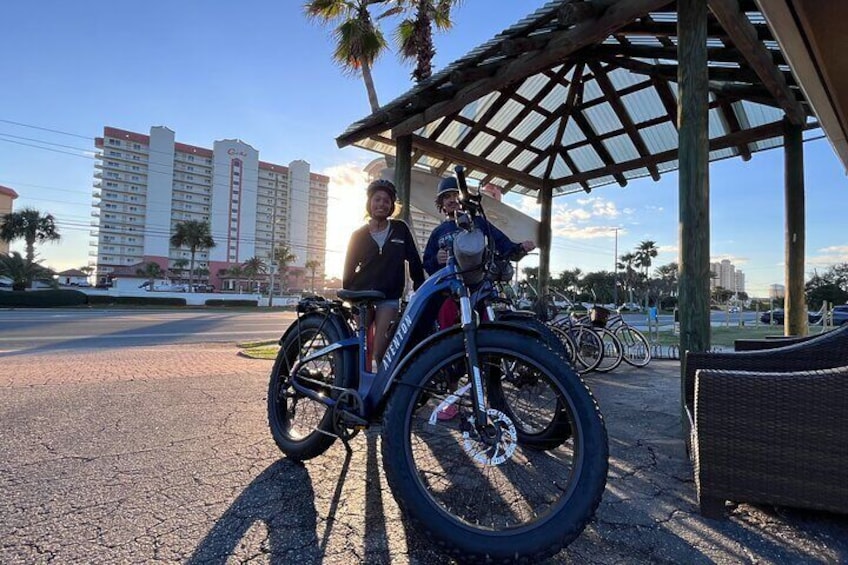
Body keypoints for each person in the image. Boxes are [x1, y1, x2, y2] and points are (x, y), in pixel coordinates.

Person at [423, 176, 536, 328]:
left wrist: (519, 248)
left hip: (480, 289)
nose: (452, 200)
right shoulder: (438, 232)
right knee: (446, 330)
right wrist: (436, 259)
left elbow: (501, 242)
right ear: (441, 203)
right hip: (449, 293)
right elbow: (427, 263)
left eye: (456, 195)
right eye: (447, 196)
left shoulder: (478, 223)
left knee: (486, 328)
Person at [343, 179, 425, 366]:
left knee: (381, 351)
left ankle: (382, 393)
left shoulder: (400, 229)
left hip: (388, 296)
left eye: (386, 201)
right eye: (377, 199)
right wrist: (349, 295)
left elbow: (414, 261)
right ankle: (356, 390)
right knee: (361, 351)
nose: (381, 204)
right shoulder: (358, 235)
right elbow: (348, 270)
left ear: (391, 206)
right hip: (362, 296)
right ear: (369, 203)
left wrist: (419, 289)